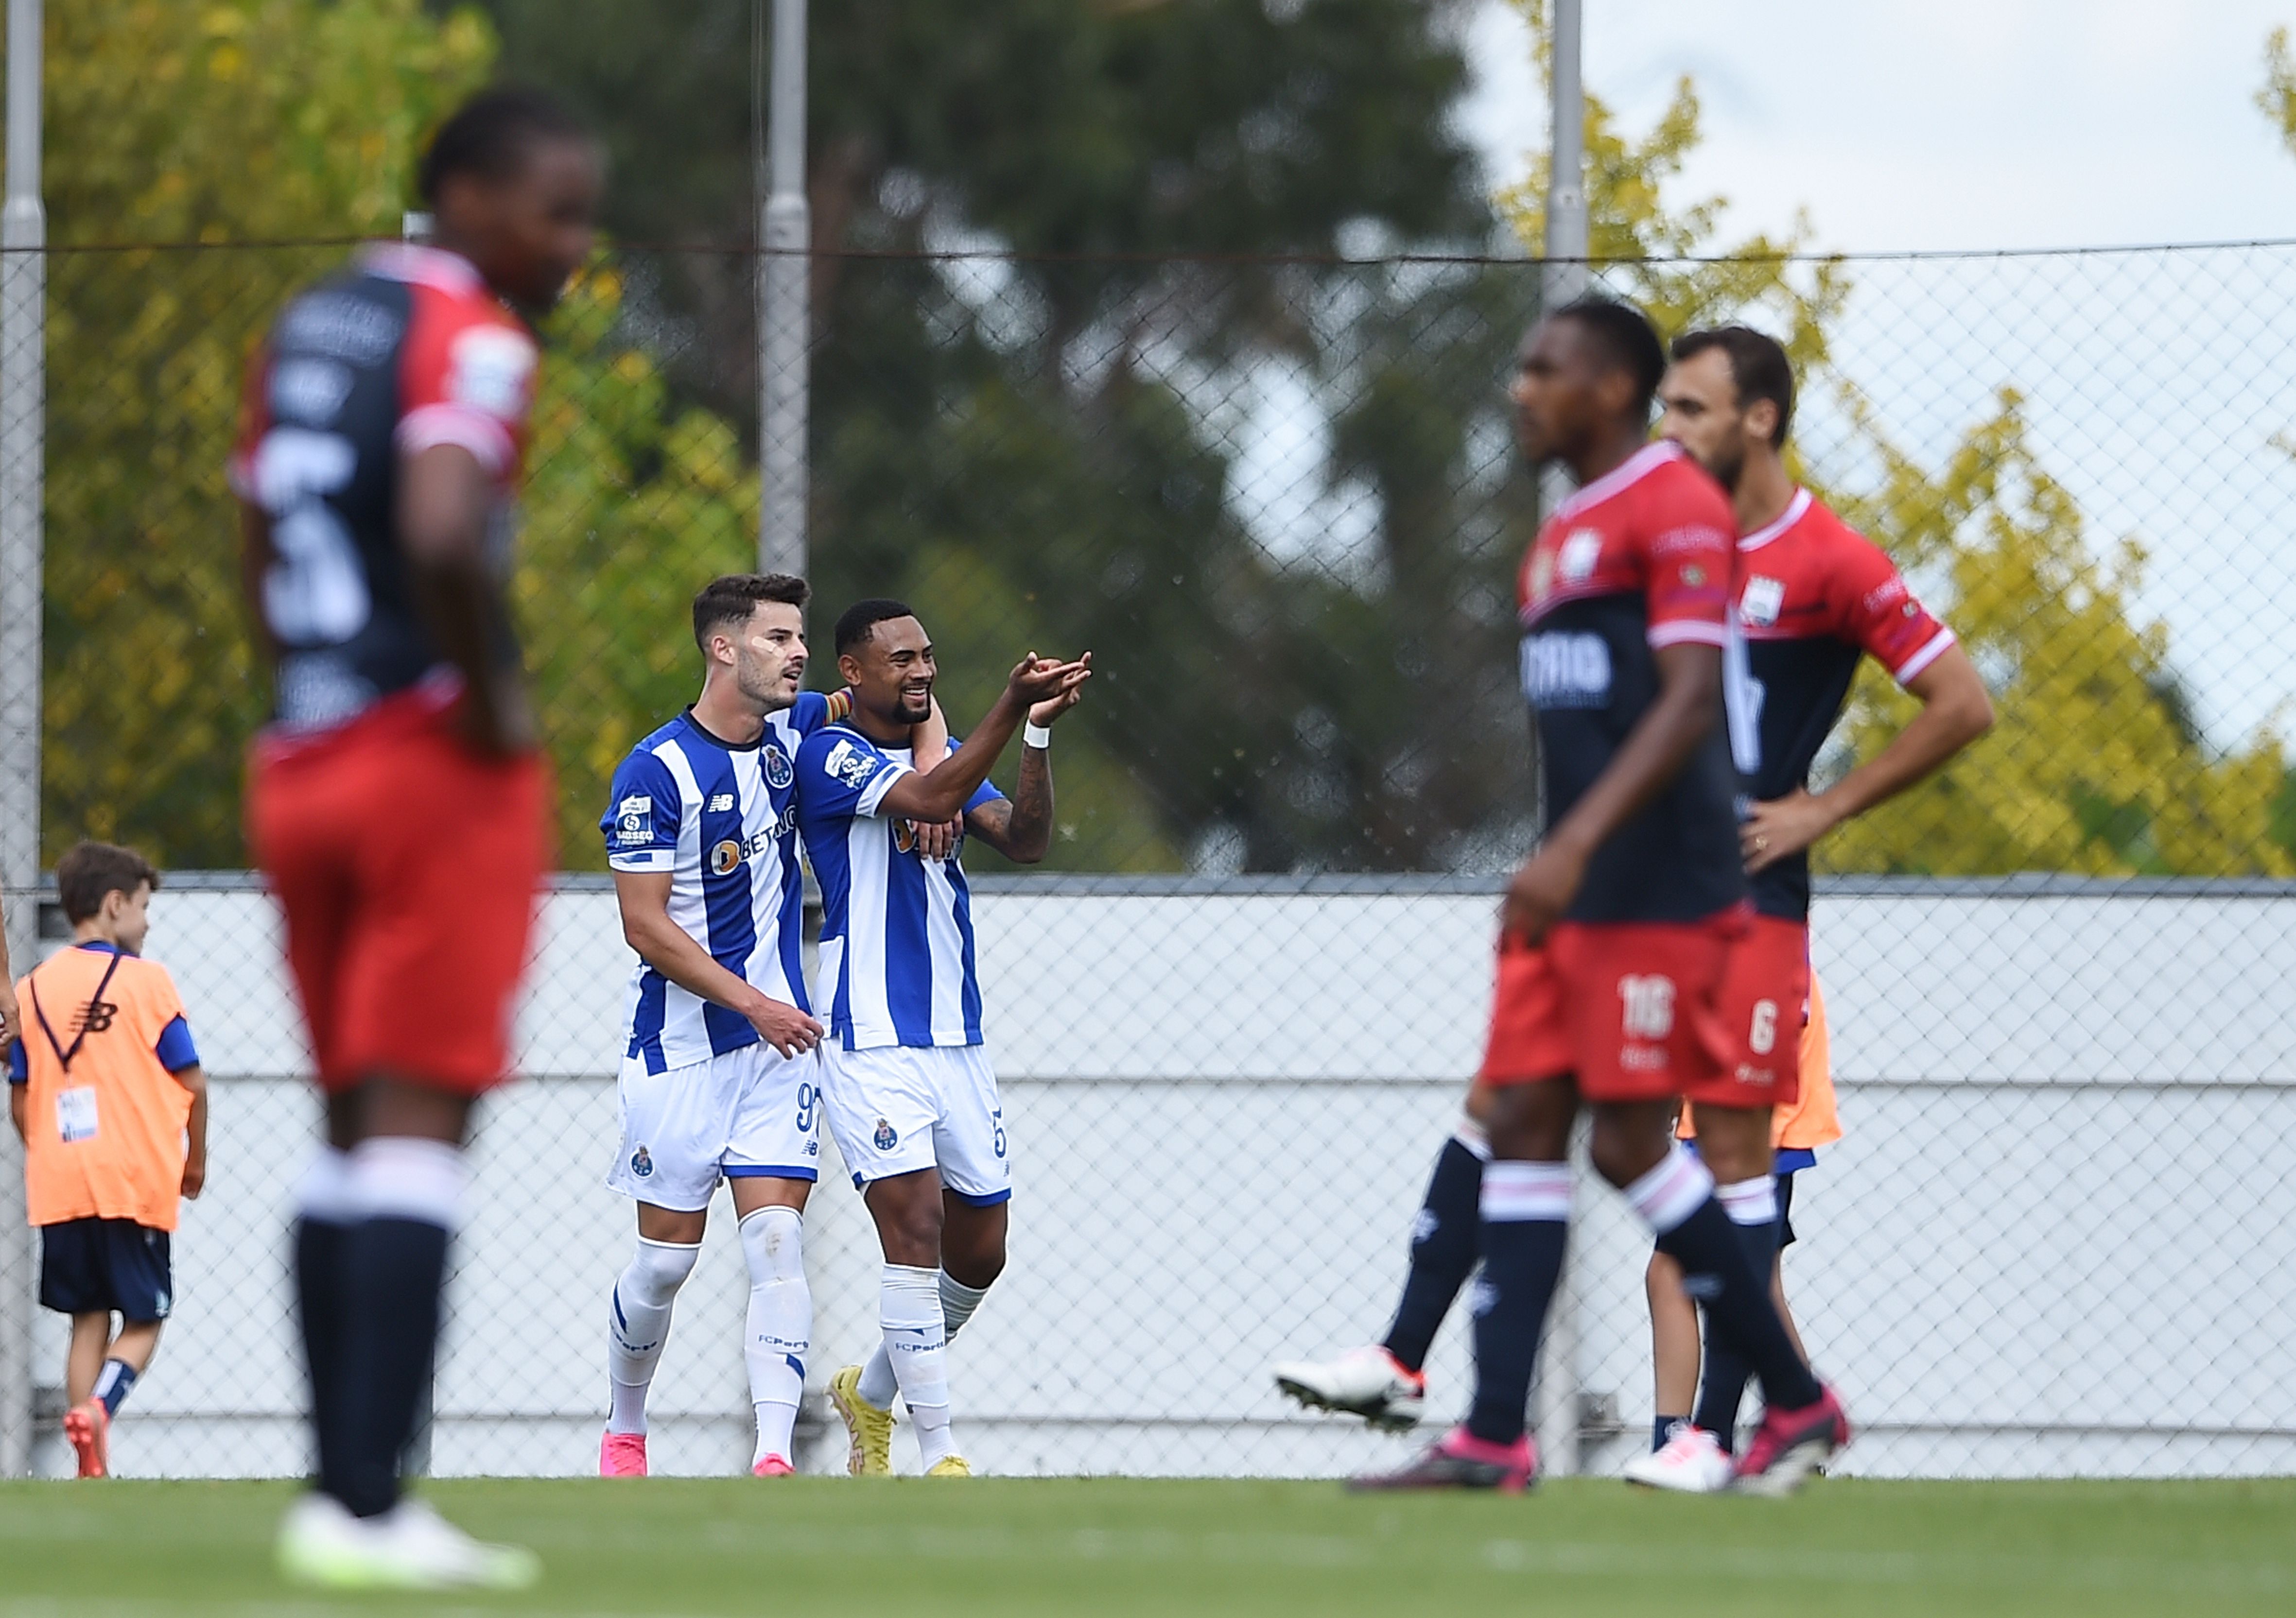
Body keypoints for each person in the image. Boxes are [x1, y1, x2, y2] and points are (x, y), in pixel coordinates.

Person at [1348, 296, 1843, 1497]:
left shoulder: (1671, 503)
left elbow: (1684, 701)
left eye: (1544, 369)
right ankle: (1498, 1435)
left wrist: (1566, 848)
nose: (1519, 389)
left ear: (1610, 389)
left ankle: (1774, 1399)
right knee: (1543, 1125)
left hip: (1658, 891)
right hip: (1585, 892)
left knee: (1602, 1133)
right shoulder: (1561, 528)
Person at [235, 88, 600, 1587]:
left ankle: (336, 1489)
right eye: (552, 210)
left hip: (301, 749)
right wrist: (494, 698)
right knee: (419, 1123)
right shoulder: (472, 333)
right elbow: (445, 527)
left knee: (343, 1125)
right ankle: (372, 1510)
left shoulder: (310, 323)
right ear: (460, 194)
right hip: (422, 755)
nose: (570, 246)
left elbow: (253, 521)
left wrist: (304, 683)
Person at [1622, 324, 1992, 1492]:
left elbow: (1959, 701)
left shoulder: (1830, 557)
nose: (1667, 430)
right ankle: (1761, 1425)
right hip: (1666, 922)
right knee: (1684, 1206)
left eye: (1688, 408)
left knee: (1716, 1209)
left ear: (1757, 418)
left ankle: (1711, 1436)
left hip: (1755, 929)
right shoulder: (1670, 546)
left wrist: (1816, 808)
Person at [595, 573, 948, 1479]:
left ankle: (770, 1456)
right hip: (678, 1054)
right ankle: (625, 1429)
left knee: (776, 1242)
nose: (797, 653)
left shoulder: (798, 733)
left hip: (779, 1056)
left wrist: (934, 767)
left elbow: (904, 703)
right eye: (777, 638)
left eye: (798, 640)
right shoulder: (654, 771)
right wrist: (749, 1002)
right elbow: (644, 926)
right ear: (724, 649)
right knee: (663, 1270)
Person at [796, 601, 1088, 1479]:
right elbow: (927, 797)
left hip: (956, 1037)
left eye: (927, 657)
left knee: (979, 1250)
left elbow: (1027, 841)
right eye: (899, 660)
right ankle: (942, 1452)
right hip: (869, 1032)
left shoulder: (952, 762)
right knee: (915, 1229)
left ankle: (871, 1390)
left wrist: (1031, 736)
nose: (920, 671)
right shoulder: (831, 755)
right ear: (854, 671)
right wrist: (1003, 705)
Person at [9, 843, 207, 1480]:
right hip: (135, 1177)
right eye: (144, 907)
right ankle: (101, 1406)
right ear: (115, 904)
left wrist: (48, 1153)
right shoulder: (148, 983)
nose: (147, 921)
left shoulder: (31, 990)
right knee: (147, 1317)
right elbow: (193, 1080)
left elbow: (21, 1095)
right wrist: (194, 1160)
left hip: (63, 1182)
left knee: (85, 1317)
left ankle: (85, 1463)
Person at [1640, 974, 1839, 1463]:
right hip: (1742, 1103)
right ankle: (1803, 1420)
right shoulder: (1743, 922)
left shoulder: (1751, 926)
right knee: (1757, 1282)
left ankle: (1685, 1441)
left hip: (1745, 1110)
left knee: (1672, 1273)